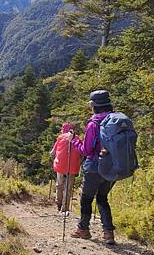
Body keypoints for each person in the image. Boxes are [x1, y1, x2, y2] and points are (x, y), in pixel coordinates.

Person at [70, 90, 116, 244]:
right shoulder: (115, 120)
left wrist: (74, 141)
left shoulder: (94, 123)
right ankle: (108, 233)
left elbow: (86, 150)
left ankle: (83, 229)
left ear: (93, 105)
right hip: (113, 168)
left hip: (94, 168)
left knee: (86, 199)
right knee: (102, 198)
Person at [50, 122, 81, 212]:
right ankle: (65, 208)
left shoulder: (60, 138)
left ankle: (58, 203)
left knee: (59, 185)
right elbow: (81, 152)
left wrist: (54, 159)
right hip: (72, 168)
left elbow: (52, 153)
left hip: (60, 166)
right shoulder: (77, 138)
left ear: (63, 130)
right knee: (68, 188)